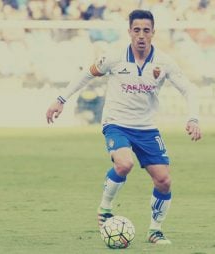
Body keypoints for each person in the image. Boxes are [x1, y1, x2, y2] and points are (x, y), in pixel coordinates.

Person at [46, 9, 201, 245]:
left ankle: (155, 230)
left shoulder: (164, 62)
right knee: (124, 163)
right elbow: (86, 74)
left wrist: (193, 118)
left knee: (164, 180)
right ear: (129, 32)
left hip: (147, 128)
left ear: (153, 33)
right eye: (136, 30)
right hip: (116, 123)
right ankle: (105, 208)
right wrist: (61, 99)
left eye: (146, 31)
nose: (141, 35)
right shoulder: (115, 57)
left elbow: (188, 89)